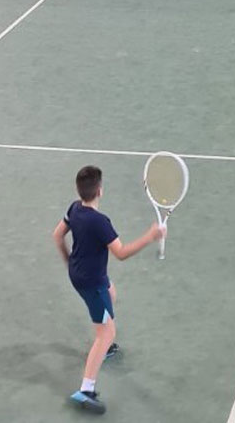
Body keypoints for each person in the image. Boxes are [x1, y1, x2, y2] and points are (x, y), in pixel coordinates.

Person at [53, 165, 165, 414]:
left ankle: (103, 344)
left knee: (111, 293)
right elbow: (121, 253)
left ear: (79, 190)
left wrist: (69, 262)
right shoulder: (100, 222)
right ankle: (86, 390)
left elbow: (57, 235)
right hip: (91, 282)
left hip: (83, 274)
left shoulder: (74, 208)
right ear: (100, 191)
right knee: (106, 333)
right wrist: (150, 236)